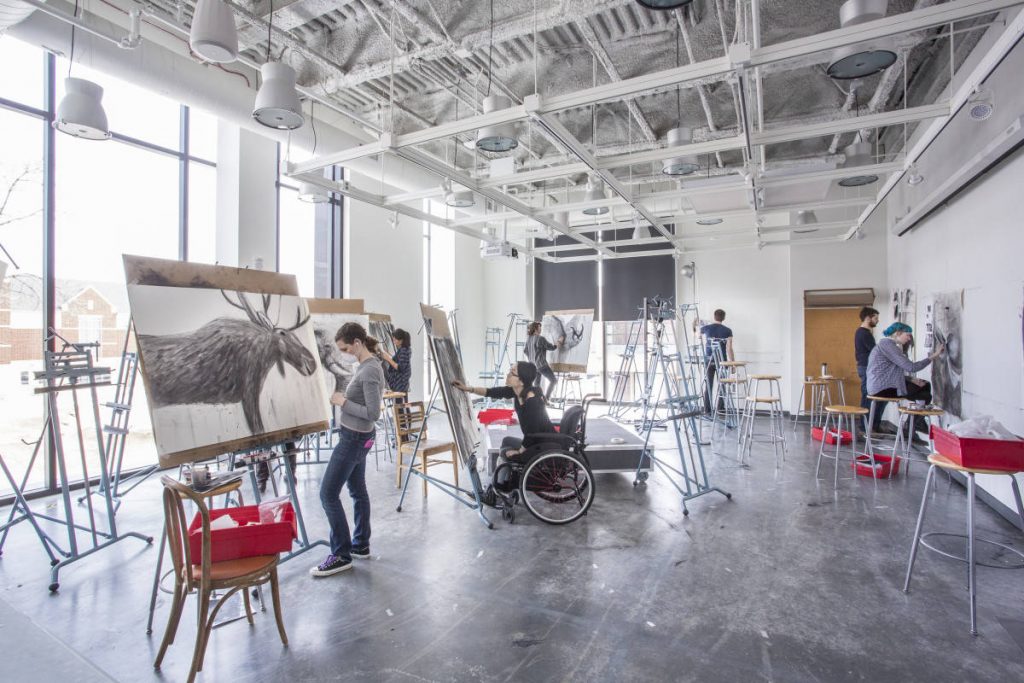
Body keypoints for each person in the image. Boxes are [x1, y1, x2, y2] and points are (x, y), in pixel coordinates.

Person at [311, 322, 384, 578]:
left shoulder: (370, 370)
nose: (343, 353)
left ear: (357, 343)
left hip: (354, 438)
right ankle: (360, 545)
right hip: (356, 437)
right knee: (357, 490)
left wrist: (343, 402)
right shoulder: (364, 366)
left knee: (327, 494)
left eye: (345, 348)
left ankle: (341, 554)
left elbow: (373, 413)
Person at [452, 361, 557, 506]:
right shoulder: (517, 391)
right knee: (507, 441)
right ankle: (501, 487)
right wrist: (467, 389)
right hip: (536, 441)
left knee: (506, 453)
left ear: (521, 380)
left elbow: (533, 433)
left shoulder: (532, 400)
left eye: (512, 372)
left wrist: (519, 451)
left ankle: (498, 490)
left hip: (541, 444)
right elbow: (492, 392)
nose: (507, 374)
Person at [866, 322, 945, 441]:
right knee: (925, 392)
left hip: (880, 386)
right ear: (898, 333)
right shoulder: (889, 346)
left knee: (924, 387)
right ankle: (913, 424)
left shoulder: (885, 345)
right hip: (883, 388)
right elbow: (911, 367)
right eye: (907, 335)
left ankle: (913, 423)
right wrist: (934, 356)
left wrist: (911, 379)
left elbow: (891, 371)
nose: (909, 338)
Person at [854, 306, 886, 434]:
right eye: (875, 318)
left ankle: (869, 425)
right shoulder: (864, 333)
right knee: (868, 396)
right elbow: (876, 351)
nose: (877, 321)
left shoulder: (863, 332)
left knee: (871, 396)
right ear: (868, 318)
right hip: (867, 368)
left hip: (866, 367)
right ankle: (866, 426)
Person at [698, 309, 734, 413]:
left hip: (709, 360)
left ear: (714, 316)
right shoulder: (728, 330)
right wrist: (733, 364)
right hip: (722, 361)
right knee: (722, 384)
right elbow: (729, 349)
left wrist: (695, 326)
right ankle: (720, 409)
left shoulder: (707, 328)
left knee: (708, 385)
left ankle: (707, 409)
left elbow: (698, 336)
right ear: (724, 318)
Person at [524, 321, 562, 401]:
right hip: (541, 365)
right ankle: (546, 398)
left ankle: (537, 400)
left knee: (536, 384)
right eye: (539, 327)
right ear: (535, 328)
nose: (540, 329)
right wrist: (558, 342)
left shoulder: (529, 339)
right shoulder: (540, 338)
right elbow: (551, 347)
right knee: (553, 381)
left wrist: (531, 359)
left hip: (533, 366)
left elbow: (525, 351)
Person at [379, 328, 412, 399]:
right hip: (401, 382)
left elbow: (400, 367)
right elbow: (397, 361)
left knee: (400, 406)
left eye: (395, 339)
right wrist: (387, 356)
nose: (393, 341)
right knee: (402, 405)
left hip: (401, 383)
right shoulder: (402, 350)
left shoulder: (404, 351)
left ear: (401, 340)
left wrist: (388, 358)